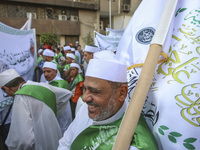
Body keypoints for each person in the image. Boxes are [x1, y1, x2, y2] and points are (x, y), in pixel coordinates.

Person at [58, 58, 158, 150]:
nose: (84, 98)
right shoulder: (87, 108)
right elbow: (65, 144)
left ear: (122, 93)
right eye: (85, 89)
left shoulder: (137, 143)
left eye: (94, 91)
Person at [0, 69, 72, 150]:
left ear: (5, 88)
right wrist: (52, 114)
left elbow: (24, 140)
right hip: (54, 135)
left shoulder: (20, 97)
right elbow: (65, 94)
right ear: (22, 79)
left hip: (38, 143)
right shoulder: (40, 85)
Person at [43, 62, 72, 134]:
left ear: (56, 72)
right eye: (44, 72)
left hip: (61, 113)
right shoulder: (48, 82)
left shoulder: (61, 84)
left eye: (48, 71)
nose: (45, 74)